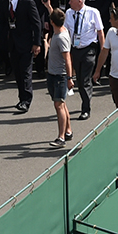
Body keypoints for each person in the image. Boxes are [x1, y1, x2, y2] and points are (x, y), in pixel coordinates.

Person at [0, 0, 42, 114]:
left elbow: (36, 24)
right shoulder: (4, 4)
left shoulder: (27, 3)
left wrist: (36, 43)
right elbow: (2, 22)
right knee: (18, 72)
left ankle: (26, 101)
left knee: (26, 72)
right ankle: (22, 98)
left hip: (26, 43)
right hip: (13, 44)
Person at [64, 0, 104, 121]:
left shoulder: (93, 12)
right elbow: (65, 31)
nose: (69, 3)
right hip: (75, 49)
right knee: (80, 79)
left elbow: (100, 32)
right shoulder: (69, 13)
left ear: (80, 2)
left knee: (85, 80)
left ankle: (85, 109)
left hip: (89, 49)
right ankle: (85, 100)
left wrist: (103, 51)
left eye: (71, 1)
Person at [45, 8, 74, 147]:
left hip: (60, 76)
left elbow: (67, 59)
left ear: (51, 22)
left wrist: (69, 78)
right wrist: (49, 6)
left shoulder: (61, 37)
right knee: (62, 104)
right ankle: (68, 130)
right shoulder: (60, 30)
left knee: (59, 105)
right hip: (53, 74)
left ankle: (61, 137)